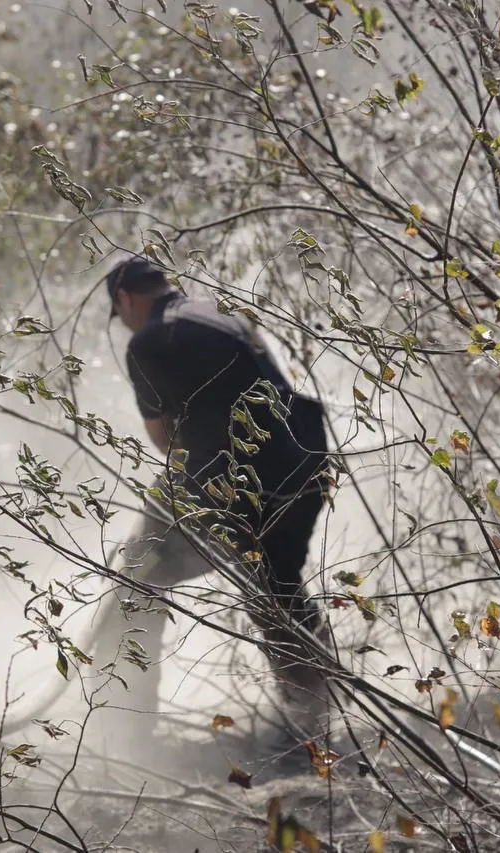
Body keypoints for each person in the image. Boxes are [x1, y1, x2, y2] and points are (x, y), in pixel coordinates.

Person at [99, 256, 332, 743]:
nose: (124, 326)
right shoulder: (221, 312)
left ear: (126, 299)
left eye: (119, 315)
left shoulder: (150, 341)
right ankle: (317, 721)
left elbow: (164, 440)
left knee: (139, 578)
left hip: (236, 481)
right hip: (302, 468)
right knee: (278, 589)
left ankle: (122, 730)